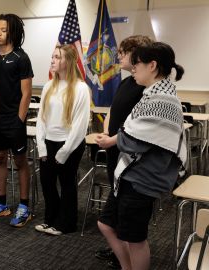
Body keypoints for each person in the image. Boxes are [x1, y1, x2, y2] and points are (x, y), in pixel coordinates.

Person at [97, 42, 186, 270]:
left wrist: (122, 136)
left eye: (136, 63)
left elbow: (131, 140)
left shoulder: (162, 100)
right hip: (129, 175)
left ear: (153, 66)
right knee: (107, 224)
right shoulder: (152, 95)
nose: (133, 68)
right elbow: (129, 134)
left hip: (141, 179)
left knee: (135, 240)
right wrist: (124, 135)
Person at [94, 35, 153, 269]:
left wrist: (112, 140)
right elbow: (113, 109)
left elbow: (139, 128)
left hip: (131, 162)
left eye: (123, 52)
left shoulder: (145, 88)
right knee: (113, 220)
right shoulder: (127, 82)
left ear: (138, 55)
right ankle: (124, 260)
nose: (118, 56)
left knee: (129, 226)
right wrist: (106, 132)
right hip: (115, 155)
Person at [0, 14, 34, 227]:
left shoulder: (21, 58)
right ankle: (1, 203)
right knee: (0, 158)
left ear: (13, 32)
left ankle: (24, 206)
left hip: (14, 119)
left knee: (20, 161)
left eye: (3, 30)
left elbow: (26, 94)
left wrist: (19, 120)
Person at [34, 44, 90, 236]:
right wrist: (42, 146)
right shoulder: (49, 85)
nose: (53, 60)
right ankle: (51, 218)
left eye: (57, 57)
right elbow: (41, 118)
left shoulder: (81, 88)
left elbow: (80, 125)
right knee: (47, 183)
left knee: (67, 184)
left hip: (70, 144)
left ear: (69, 61)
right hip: (49, 142)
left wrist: (64, 151)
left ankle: (66, 223)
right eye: (52, 57)